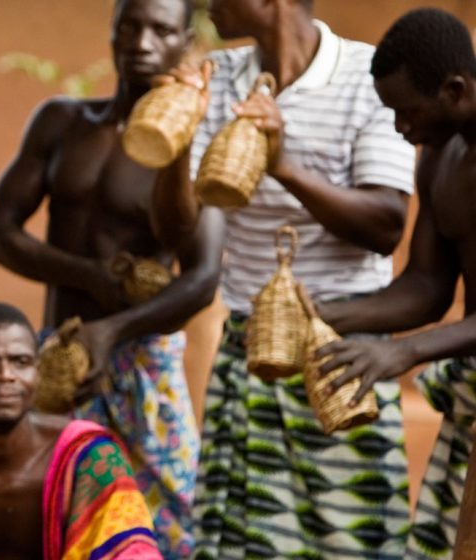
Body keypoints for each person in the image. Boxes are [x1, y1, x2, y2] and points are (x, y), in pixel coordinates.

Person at [150, 0, 417, 557]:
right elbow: (179, 231)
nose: (204, 5)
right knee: (243, 540)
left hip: (344, 351)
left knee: (355, 540)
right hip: (249, 349)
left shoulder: (366, 77)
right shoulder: (216, 79)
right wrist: (176, 143)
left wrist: (284, 164)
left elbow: (387, 225)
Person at [0, 0, 222, 556]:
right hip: (61, 361)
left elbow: (203, 277)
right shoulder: (62, 123)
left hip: (145, 363)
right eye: (131, 25)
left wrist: (111, 330)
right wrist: (89, 276)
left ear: (184, 43)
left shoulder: (193, 147)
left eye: (161, 29)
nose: (142, 41)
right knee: (53, 518)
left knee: (173, 526)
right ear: (113, 32)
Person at [307, 9, 476, 559]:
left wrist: (402, 353)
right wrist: (323, 315)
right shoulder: (441, 156)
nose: (400, 130)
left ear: (455, 90)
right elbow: (428, 285)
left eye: (408, 113)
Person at [0, 302, 162, 560]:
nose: (5, 375)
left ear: (37, 373)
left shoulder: (88, 456)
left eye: (21, 362)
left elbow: (130, 552)